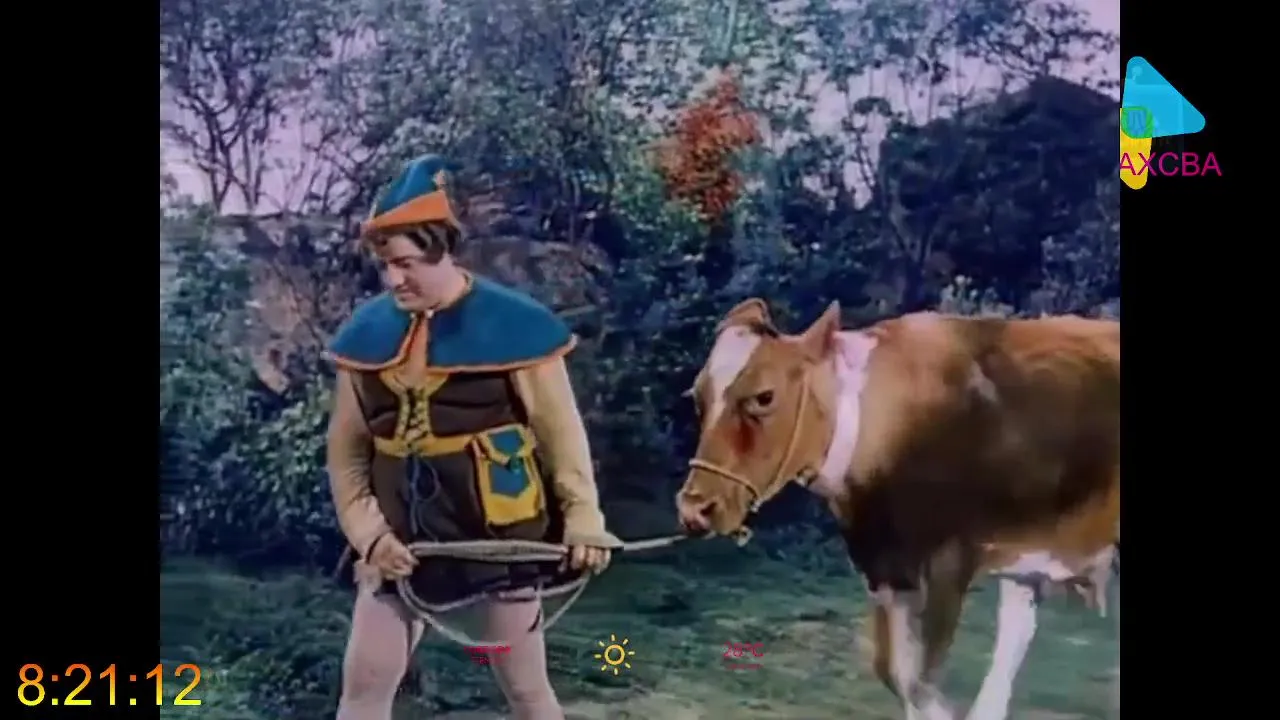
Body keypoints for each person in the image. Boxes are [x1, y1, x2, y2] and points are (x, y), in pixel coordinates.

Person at [326, 153, 622, 720]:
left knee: (527, 690)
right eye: (385, 265)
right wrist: (370, 536)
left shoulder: (515, 326)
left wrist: (584, 519)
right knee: (362, 691)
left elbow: (561, 436)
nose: (393, 280)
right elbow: (347, 456)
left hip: (498, 538)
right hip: (401, 544)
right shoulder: (365, 336)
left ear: (443, 250)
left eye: (406, 263)